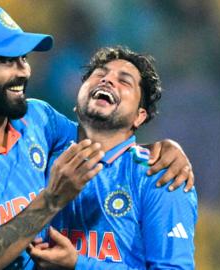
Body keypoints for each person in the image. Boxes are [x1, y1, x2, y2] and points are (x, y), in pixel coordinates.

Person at [0, 3, 194, 270]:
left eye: (23, 58)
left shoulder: (38, 119)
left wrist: (164, 147)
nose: (24, 71)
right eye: (7, 61)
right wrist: (52, 200)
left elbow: (102, 139)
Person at [28, 47, 197, 269]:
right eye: (100, 74)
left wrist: (78, 265)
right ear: (77, 101)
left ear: (139, 116)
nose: (107, 80)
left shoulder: (160, 175)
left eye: (124, 81)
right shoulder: (40, 155)